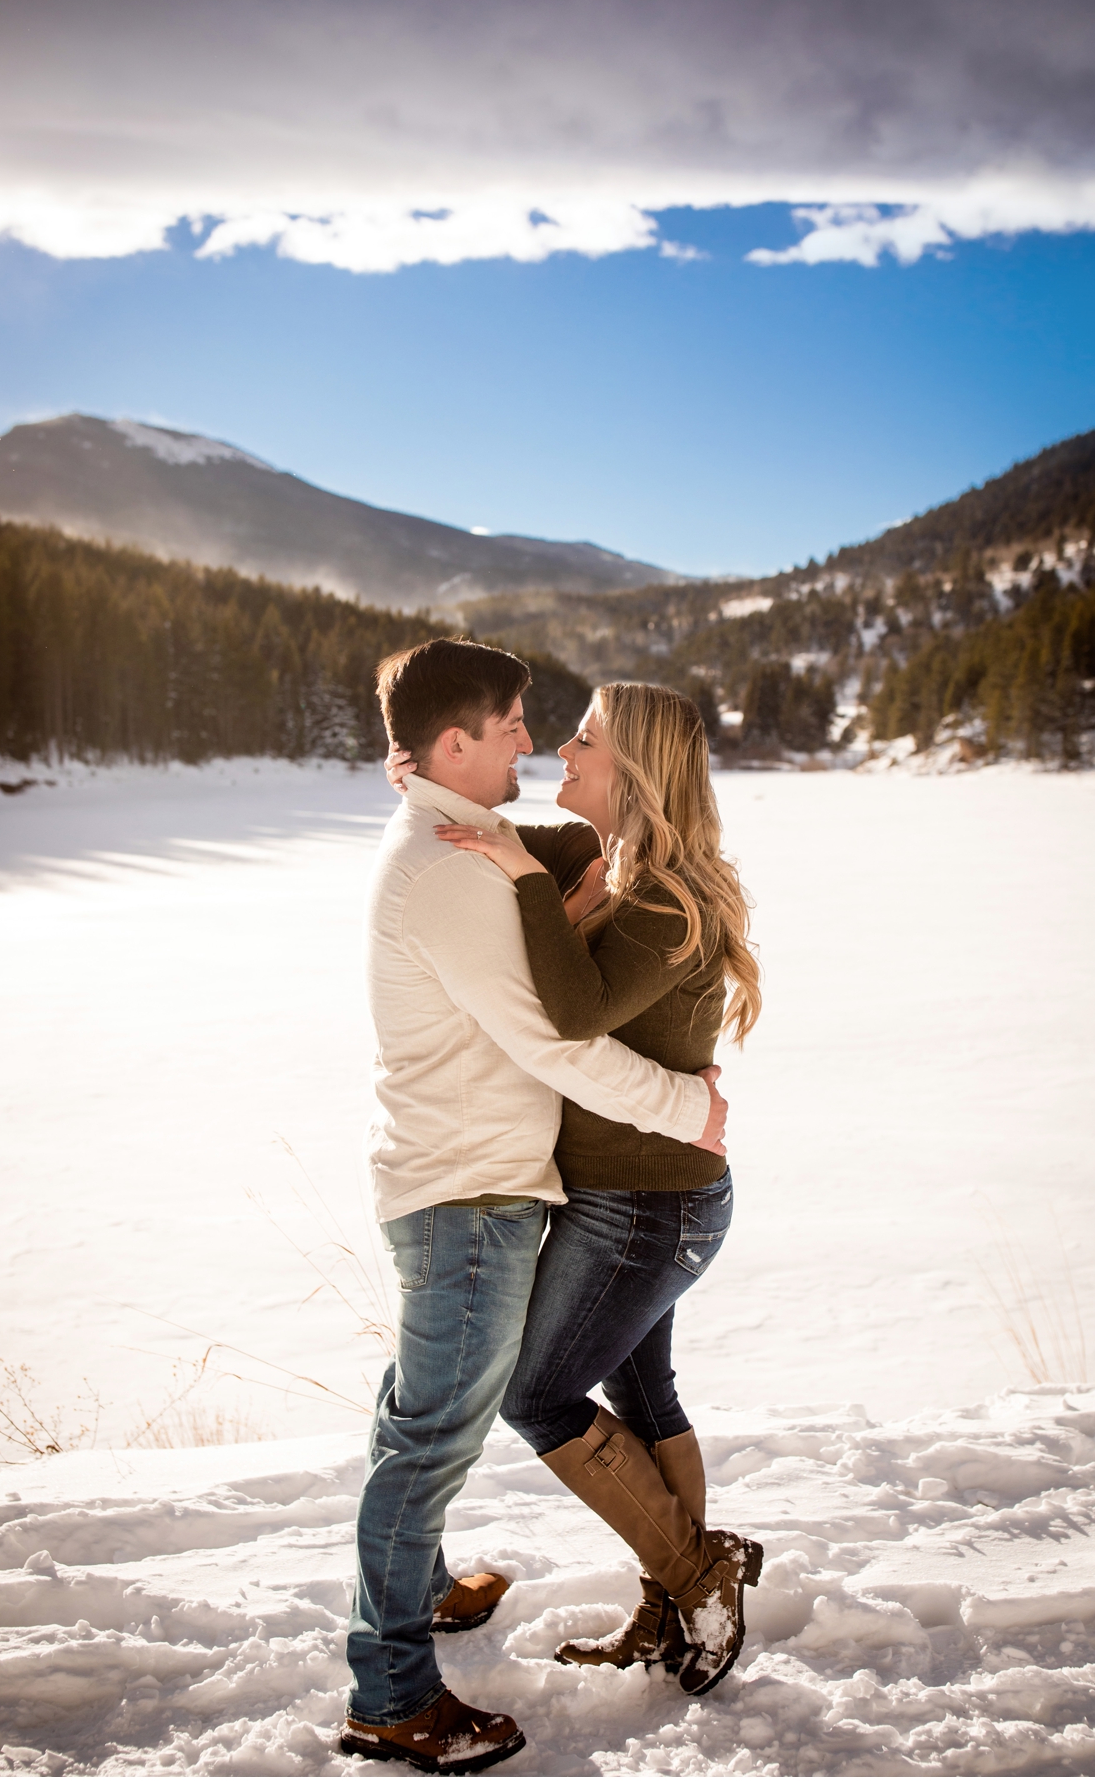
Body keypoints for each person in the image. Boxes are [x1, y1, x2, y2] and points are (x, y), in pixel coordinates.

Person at [344, 640, 726, 1775]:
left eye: (561, 730)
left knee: (421, 1414)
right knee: (430, 1437)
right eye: (514, 721)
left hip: (476, 1182)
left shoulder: (452, 838)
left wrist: (444, 792)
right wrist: (685, 1105)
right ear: (457, 744)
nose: (536, 736)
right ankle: (395, 1695)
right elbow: (554, 1038)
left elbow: (575, 952)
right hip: (468, 1191)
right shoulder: (450, 867)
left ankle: (420, 1586)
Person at [427, 682, 764, 1697]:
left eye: (587, 738)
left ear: (639, 769)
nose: (564, 750)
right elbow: (499, 824)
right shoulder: (603, 861)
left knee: (540, 1392)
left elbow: (572, 1016)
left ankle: (700, 1574)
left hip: (647, 1208)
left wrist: (523, 876)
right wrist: (434, 788)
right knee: (642, 1388)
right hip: (623, 1199)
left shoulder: (672, 898)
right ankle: (673, 1606)